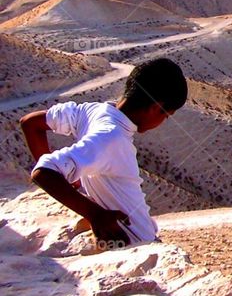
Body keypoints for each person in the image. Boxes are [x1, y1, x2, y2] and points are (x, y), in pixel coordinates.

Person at [19, 58, 188, 250]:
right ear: (156, 108)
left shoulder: (91, 111)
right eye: (166, 116)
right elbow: (43, 172)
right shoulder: (112, 137)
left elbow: (30, 123)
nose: (162, 122)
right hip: (135, 246)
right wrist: (96, 214)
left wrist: (66, 181)